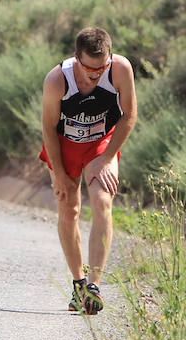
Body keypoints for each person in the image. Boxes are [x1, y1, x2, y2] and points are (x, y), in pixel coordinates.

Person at [40, 27, 137, 314]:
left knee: (103, 201)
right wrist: (58, 173)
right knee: (69, 209)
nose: (95, 75)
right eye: (89, 69)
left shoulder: (121, 69)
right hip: (64, 144)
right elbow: (47, 127)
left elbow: (129, 114)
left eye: (101, 68)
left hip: (100, 144)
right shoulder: (57, 80)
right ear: (76, 59)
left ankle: (93, 286)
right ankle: (78, 283)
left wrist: (107, 158)